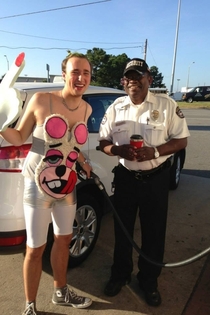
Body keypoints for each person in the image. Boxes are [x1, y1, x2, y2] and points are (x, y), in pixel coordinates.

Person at [0, 52, 93, 315]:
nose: (81, 78)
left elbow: (71, 144)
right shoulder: (42, 100)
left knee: (64, 240)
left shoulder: (87, 108)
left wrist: (84, 162)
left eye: (86, 73)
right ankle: (30, 305)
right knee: (35, 247)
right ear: (64, 74)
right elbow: (18, 136)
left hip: (68, 186)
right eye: (76, 72)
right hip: (37, 186)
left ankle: (60, 292)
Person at [98, 58, 190, 307]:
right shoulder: (116, 107)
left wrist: (156, 152)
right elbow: (102, 142)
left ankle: (149, 281)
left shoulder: (167, 105)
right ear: (123, 81)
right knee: (122, 231)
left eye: (138, 75)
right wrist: (118, 151)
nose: (133, 81)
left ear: (149, 78)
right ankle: (120, 275)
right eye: (128, 76)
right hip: (126, 179)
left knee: (154, 233)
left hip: (155, 180)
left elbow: (181, 140)